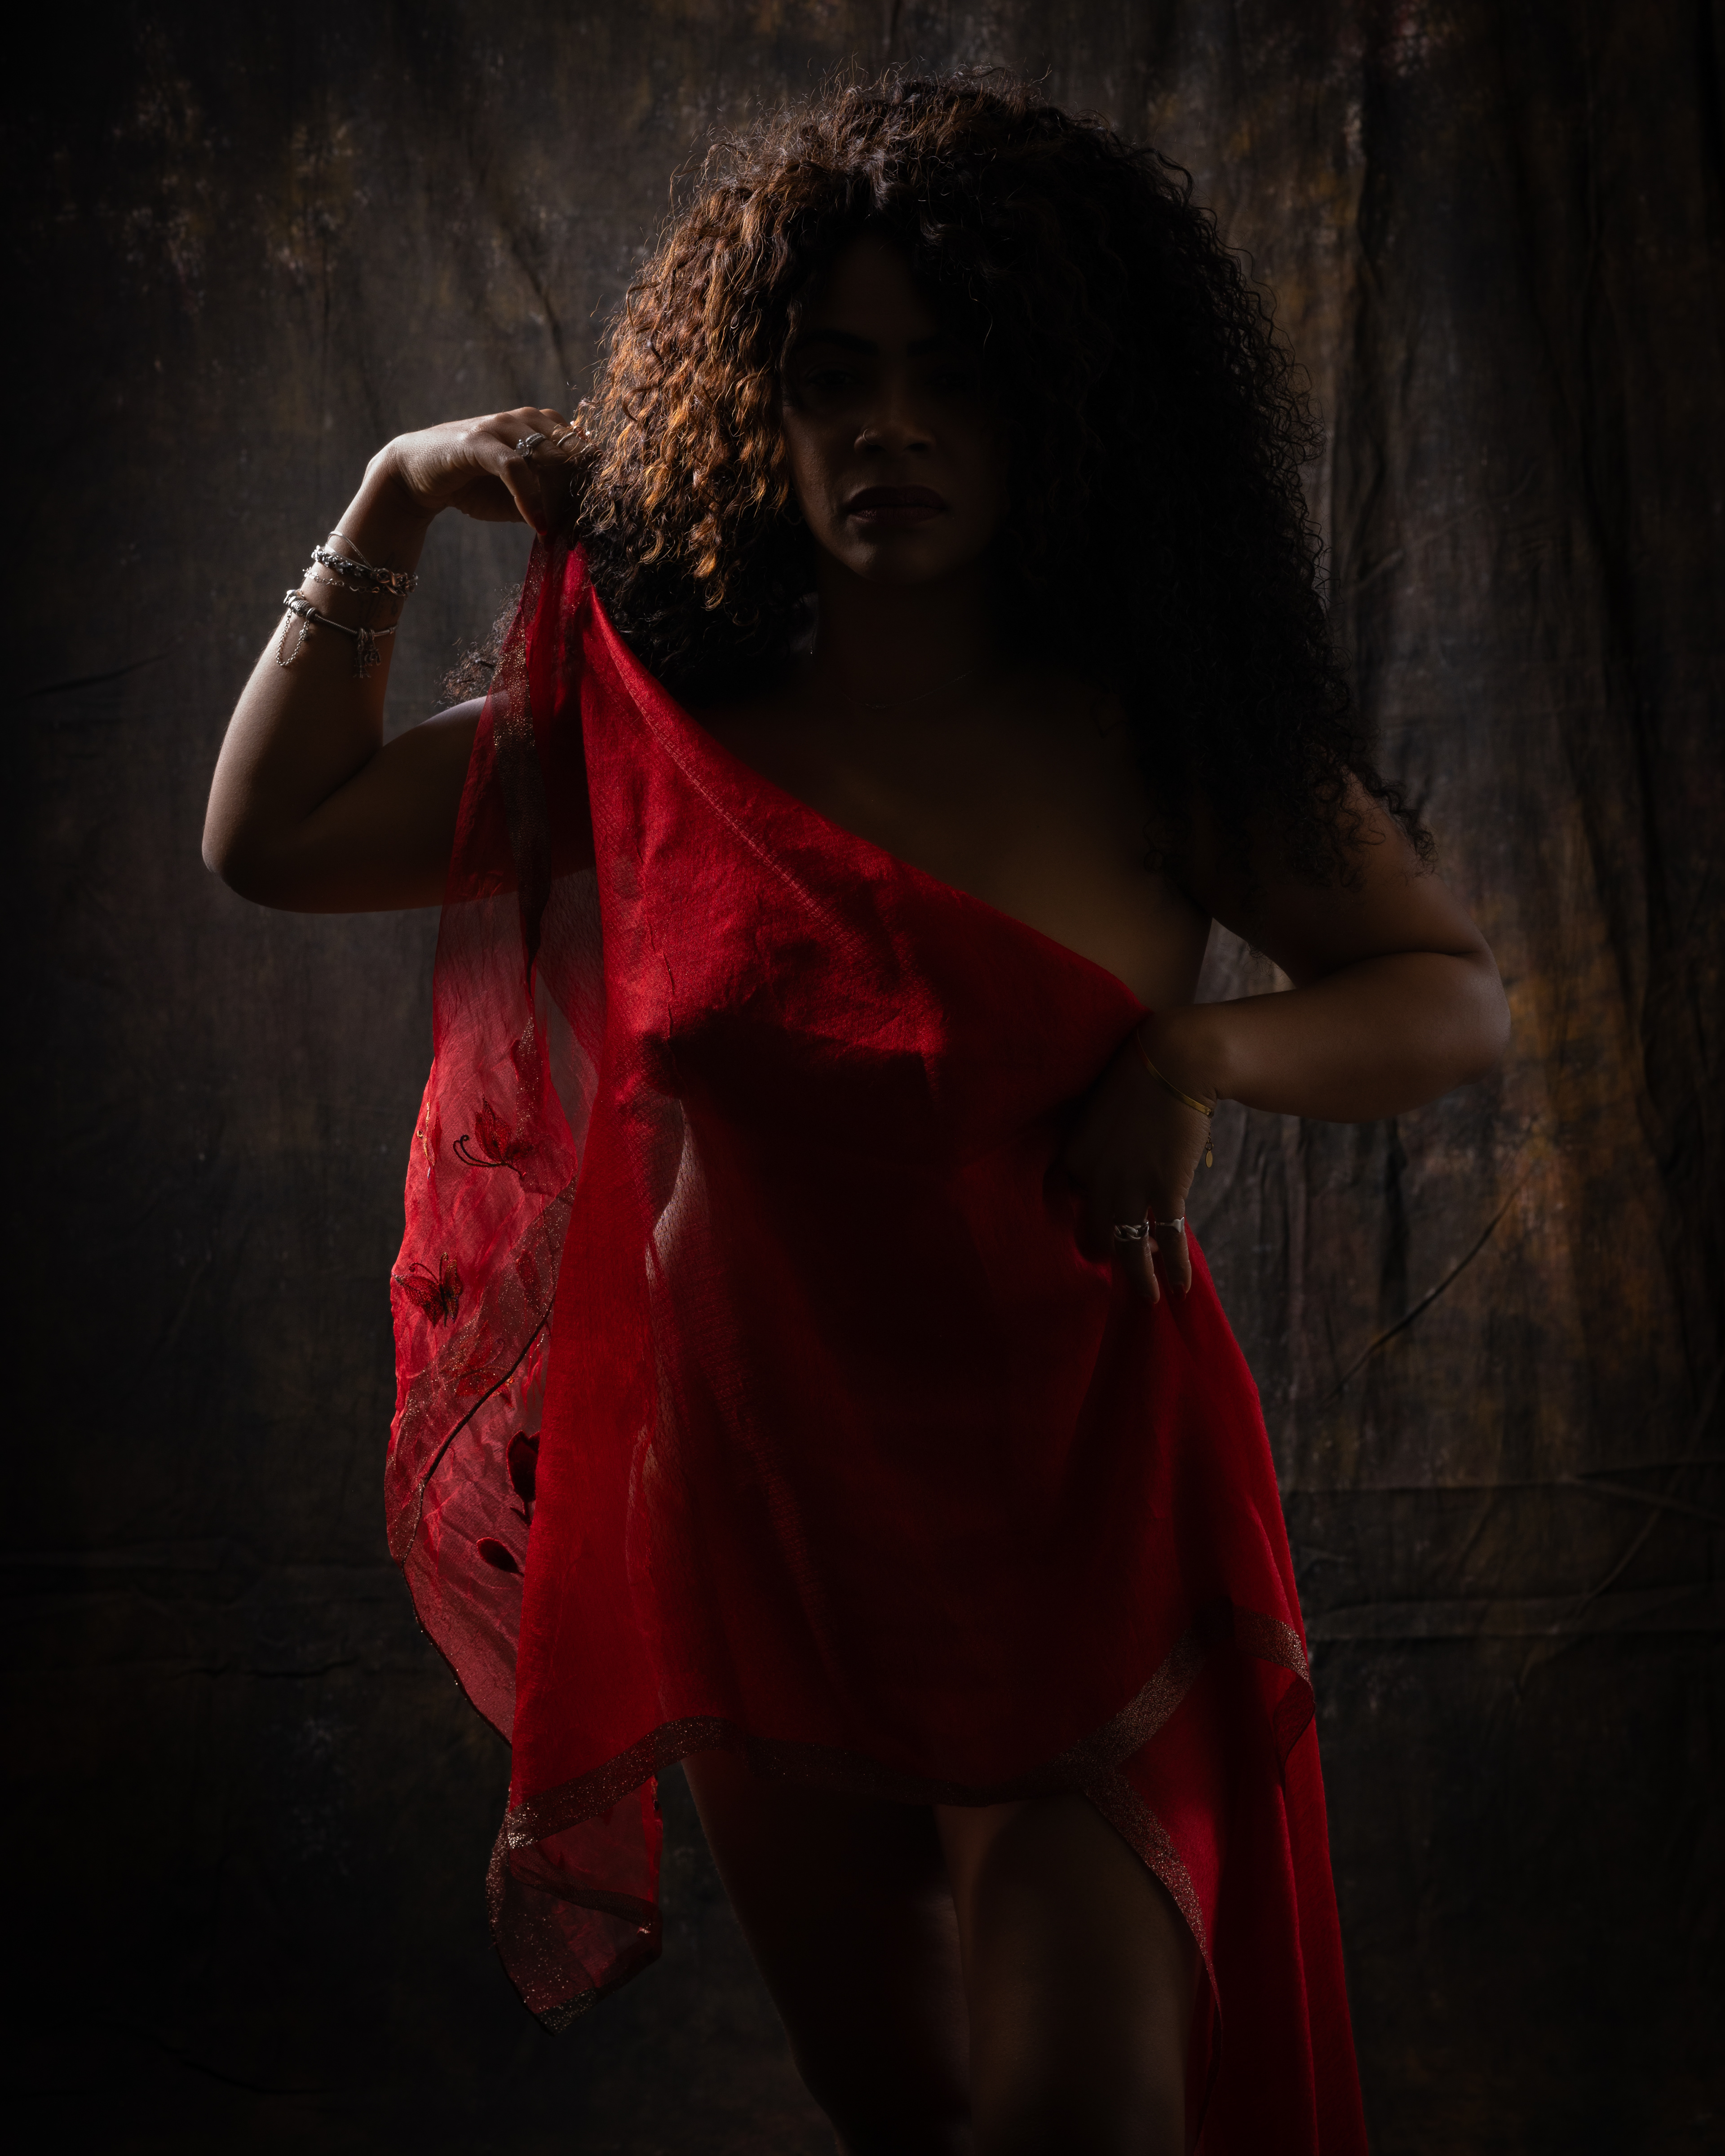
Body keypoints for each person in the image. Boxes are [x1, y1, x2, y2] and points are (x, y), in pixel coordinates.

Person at [204, 74, 1508, 2156]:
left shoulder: (1160, 733)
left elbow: (1446, 996)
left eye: (953, 377)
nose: (890, 428)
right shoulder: (659, 726)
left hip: (1081, 1503)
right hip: (766, 1514)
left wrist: (1197, 1059)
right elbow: (273, 840)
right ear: (755, 405)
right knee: (902, 2108)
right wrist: (392, 496)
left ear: (1065, 409)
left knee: (1083, 2116)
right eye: (834, 377)